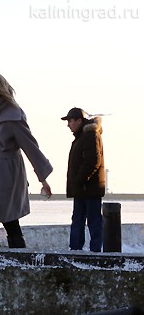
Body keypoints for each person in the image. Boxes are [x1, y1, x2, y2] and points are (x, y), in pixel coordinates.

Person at [0, 72, 53, 249]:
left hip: (8, 171)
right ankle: (10, 257)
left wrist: (43, 178)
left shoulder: (13, 115)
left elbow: (30, 146)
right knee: (5, 219)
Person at [62, 107, 105, 252]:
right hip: (82, 189)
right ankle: (75, 250)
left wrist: (79, 180)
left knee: (92, 221)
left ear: (79, 121)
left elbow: (93, 161)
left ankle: (95, 252)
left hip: (89, 188)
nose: (68, 125)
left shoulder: (90, 135)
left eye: (70, 121)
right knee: (78, 220)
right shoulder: (82, 136)